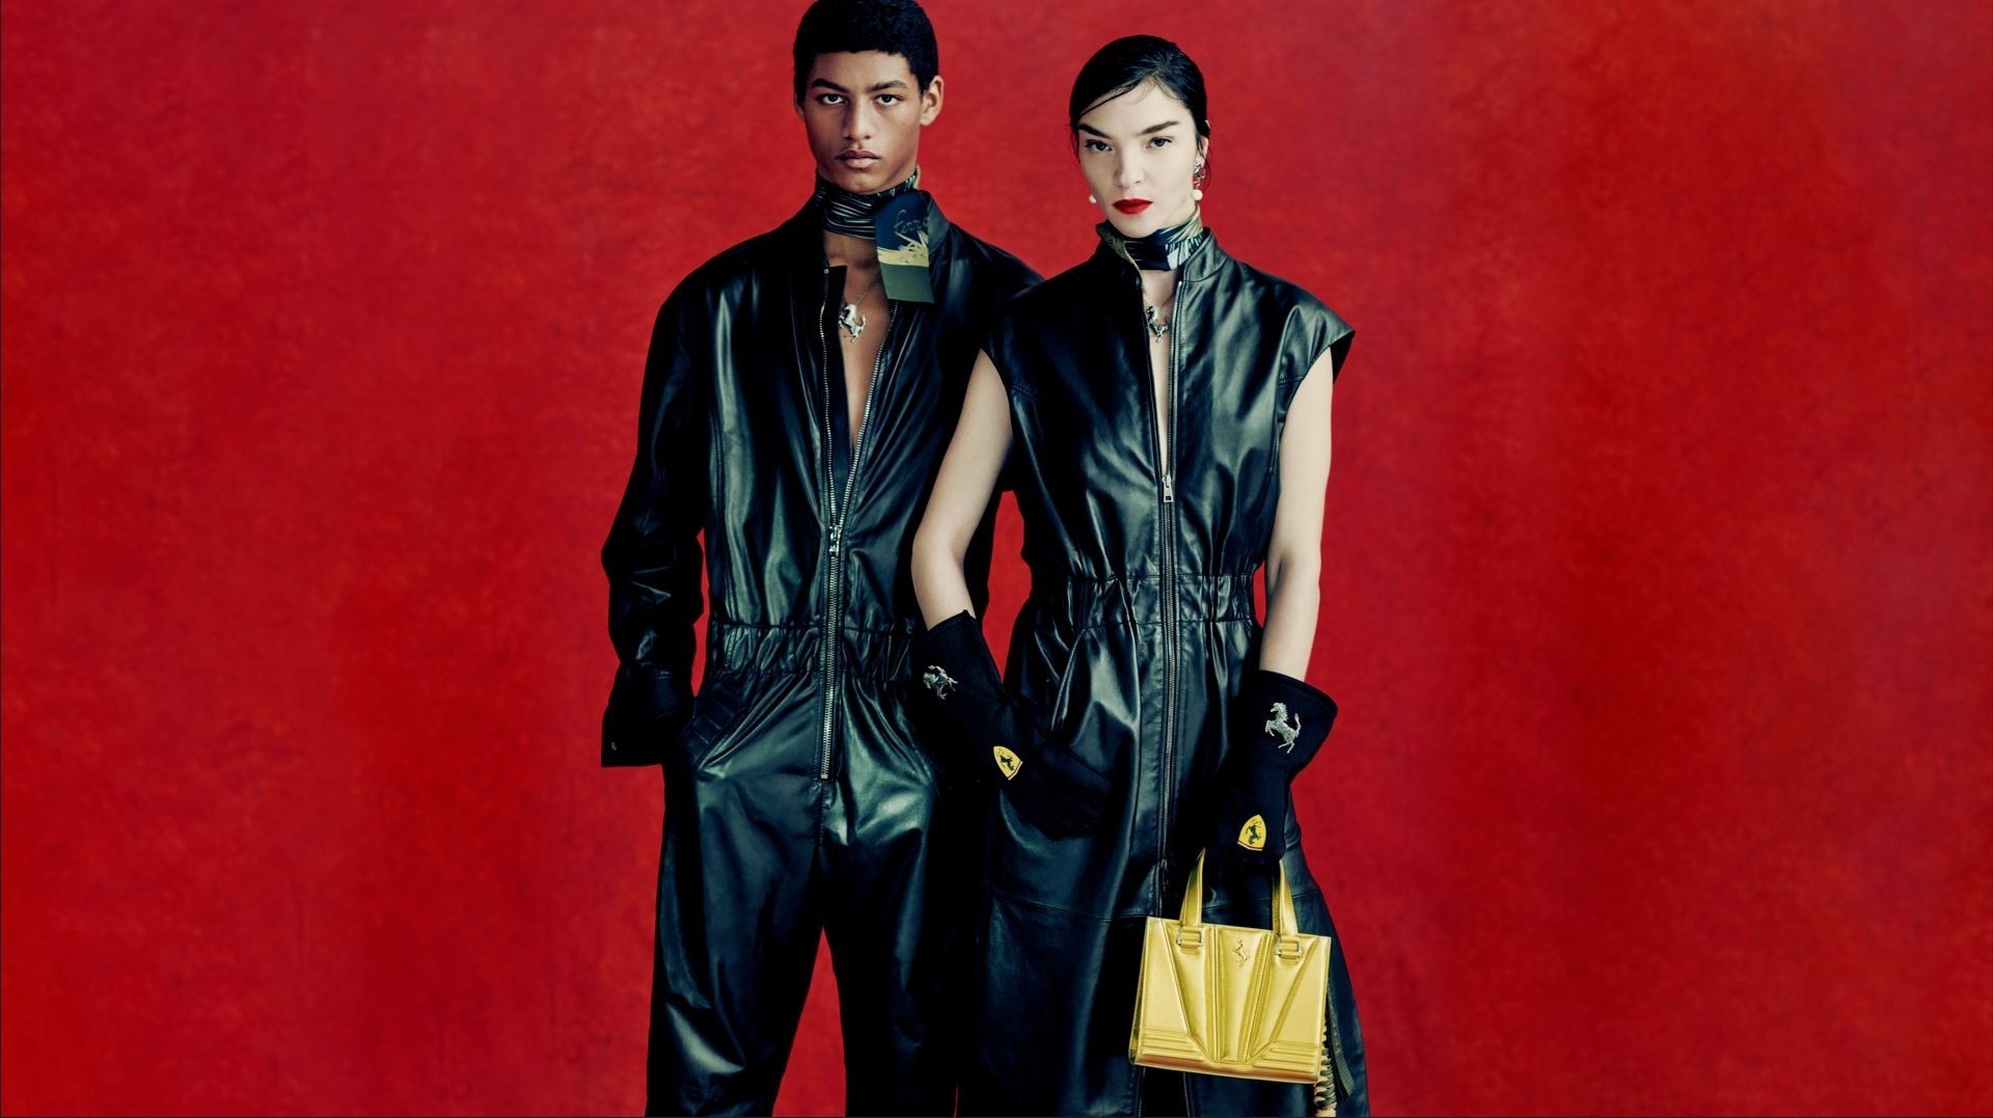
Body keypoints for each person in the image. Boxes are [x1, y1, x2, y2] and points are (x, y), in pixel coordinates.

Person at [909, 34, 1369, 1117]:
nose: (1127, 172)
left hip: (1224, 733)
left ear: (1203, 147)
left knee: (1236, 1071)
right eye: (1099, 145)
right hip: (1070, 733)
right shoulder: (1029, 337)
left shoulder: (1287, 332)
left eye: (1156, 141)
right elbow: (936, 546)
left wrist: (1263, 763)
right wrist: (1000, 736)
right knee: (1050, 1070)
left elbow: (1295, 561)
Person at [597, 0, 1037, 1112]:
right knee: (704, 1083)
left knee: (914, 1076)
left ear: (931, 102)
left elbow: (1075, 534)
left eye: (886, 97)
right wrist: (672, 697)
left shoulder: (1000, 305)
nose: (858, 127)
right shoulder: (719, 306)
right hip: (746, 740)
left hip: (920, 743)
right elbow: (652, 526)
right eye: (831, 96)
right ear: (798, 101)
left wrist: (1008, 721)